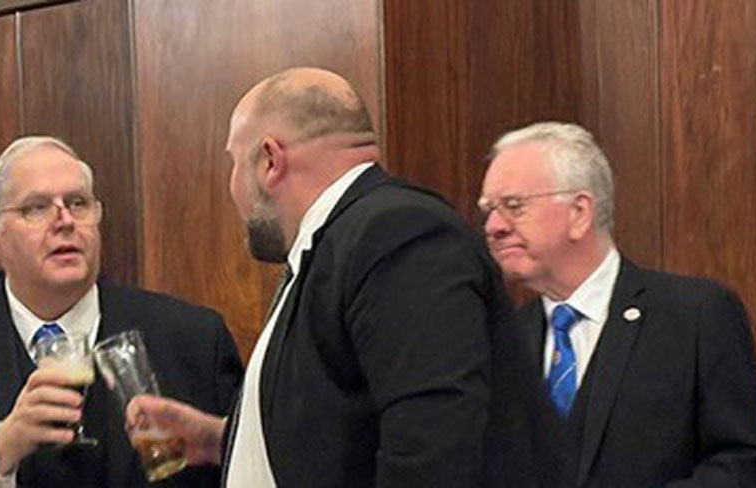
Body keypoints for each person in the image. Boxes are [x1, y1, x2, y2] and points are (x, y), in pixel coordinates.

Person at [128, 67, 510, 487]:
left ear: (270, 160)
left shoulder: (397, 231)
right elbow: (340, 431)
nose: (232, 185)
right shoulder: (332, 243)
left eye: (234, 163)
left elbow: (436, 447)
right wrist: (222, 439)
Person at [0, 136, 242, 487]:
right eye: (36, 208)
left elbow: (248, 469)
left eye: (78, 203)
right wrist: (2, 444)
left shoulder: (193, 337)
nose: (65, 221)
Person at [478, 121, 756, 486]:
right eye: (488, 210)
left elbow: (746, 467)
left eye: (513, 206)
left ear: (579, 213)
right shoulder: (504, 339)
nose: (494, 226)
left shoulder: (696, 315)